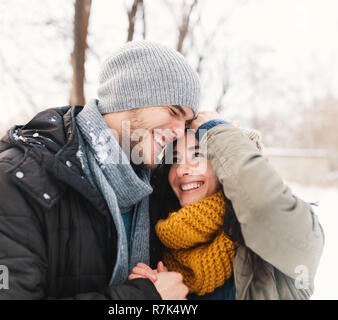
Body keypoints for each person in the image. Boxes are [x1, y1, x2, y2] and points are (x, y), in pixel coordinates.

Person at [0, 40, 200, 299]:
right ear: (129, 96)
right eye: (173, 112)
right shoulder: (16, 181)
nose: (179, 132)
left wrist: (218, 130)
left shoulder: (160, 188)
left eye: (186, 121)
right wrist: (144, 299)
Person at [129, 113, 325, 299]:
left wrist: (216, 129)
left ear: (224, 163)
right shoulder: (155, 238)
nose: (181, 170)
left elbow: (264, 206)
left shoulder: (285, 234)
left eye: (197, 155)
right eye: (175, 160)